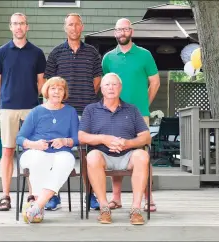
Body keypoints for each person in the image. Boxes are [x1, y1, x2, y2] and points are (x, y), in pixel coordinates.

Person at [44, 13, 102, 210]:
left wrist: (86, 97)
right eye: (70, 24)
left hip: (87, 111)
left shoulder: (93, 52)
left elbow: (97, 81)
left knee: (88, 155)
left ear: (82, 27)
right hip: (62, 113)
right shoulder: (56, 53)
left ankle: (91, 195)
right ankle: (53, 195)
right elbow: (49, 84)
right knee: (57, 153)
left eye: (77, 24)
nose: (74, 28)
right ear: (65, 28)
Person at [101, 18, 160, 212]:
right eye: (119, 29)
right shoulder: (108, 58)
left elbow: (155, 82)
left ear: (131, 31)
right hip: (114, 114)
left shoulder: (145, 55)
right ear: (115, 32)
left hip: (140, 115)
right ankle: (116, 198)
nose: (122, 32)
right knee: (115, 151)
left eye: (125, 29)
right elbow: (106, 85)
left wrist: (144, 105)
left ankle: (148, 199)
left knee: (143, 155)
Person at [78, 73, 151, 225]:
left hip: (127, 155)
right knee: (91, 157)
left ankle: (136, 209)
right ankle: (104, 208)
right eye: (107, 85)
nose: (111, 88)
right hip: (102, 155)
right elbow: (82, 136)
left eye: (114, 84)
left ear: (120, 88)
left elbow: (146, 137)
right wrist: (104, 139)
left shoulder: (132, 110)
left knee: (142, 156)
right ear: (101, 89)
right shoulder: (91, 110)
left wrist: (128, 143)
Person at [0, 13, 46, 211]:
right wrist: (7, 97)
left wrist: (30, 97)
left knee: (32, 151)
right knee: (7, 150)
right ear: (10, 27)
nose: (18, 27)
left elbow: (41, 82)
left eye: (22, 24)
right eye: (15, 24)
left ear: (27, 27)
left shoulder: (37, 53)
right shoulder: (2, 52)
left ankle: (33, 195)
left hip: (31, 108)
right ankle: (5, 196)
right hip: (8, 108)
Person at [16, 77, 79, 223]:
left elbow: (77, 138)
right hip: (35, 151)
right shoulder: (36, 111)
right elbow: (19, 138)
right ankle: (38, 202)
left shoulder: (70, 112)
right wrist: (35, 144)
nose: (56, 92)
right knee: (39, 159)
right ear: (46, 91)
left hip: (61, 152)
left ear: (64, 93)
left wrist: (65, 141)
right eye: (53, 88)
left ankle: (37, 205)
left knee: (66, 160)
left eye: (60, 89)